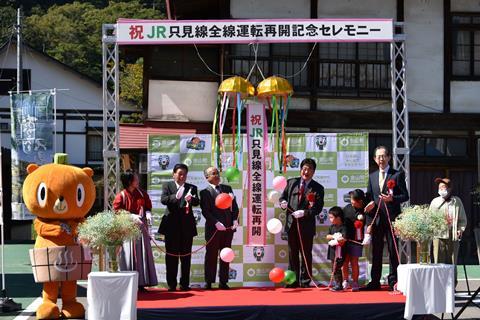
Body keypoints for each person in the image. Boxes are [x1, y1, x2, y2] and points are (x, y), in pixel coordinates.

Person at [362, 146, 409, 291]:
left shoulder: (397, 174)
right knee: (376, 250)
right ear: (375, 159)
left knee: (393, 250)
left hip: (392, 218)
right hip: (377, 219)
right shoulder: (372, 176)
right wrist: (369, 204)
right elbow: (370, 196)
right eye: (378, 157)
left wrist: (392, 198)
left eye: (383, 156)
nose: (381, 159)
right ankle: (374, 281)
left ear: (389, 157)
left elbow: (405, 196)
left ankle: (393, 281)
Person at [279, 158, 324, 288]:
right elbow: (283, 197)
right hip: (291, 224)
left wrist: (304, 212)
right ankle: (292, 281)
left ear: (313, 172)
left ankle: (305, 281)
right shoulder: (291, 183)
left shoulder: (318, 188)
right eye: (304, 168)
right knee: (292, 254)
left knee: (305, 253)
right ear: (300, 169)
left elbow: (318, 208)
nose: (306, 171)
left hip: (306, 226)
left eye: (310, 169)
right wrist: (282, 203)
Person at [113, 169, 158, 290]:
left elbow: (147, 206)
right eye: (135, 178)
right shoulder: (121, 195)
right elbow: (117, 210)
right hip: (127, 228)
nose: (137, 180)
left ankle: (142, 283)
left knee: (142, 253)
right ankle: (128, 283)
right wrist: (130, 216)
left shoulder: (142, 193)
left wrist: (148, 213)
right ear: (129, 181)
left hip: (141, 227)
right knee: (128, 254)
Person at [158, 164, 199, 291]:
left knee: (186, 257)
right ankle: (171, 284)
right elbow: (163, 200)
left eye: (185, 174)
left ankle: (184, 284)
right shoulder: (168, 186)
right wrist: (176, 197)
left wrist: (191, 199)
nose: (182, 176)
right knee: (171, 257)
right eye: (180, 173)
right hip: (171, 226)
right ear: (174, 174)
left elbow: (197, 202)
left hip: (187, 227)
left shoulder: (191, 187)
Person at [200, 167, 240, 290]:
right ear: (207, 178)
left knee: (226, 255)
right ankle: (209, 281)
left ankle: (224, 281)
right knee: (211, 255)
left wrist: (235, 220)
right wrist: (216, 222)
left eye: (217, 173)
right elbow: (205, 211)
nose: (217, 175)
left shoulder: (227, 189)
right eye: (213, 174)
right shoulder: (204, 192)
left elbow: (234, 207)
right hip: (213, 229)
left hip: (228, 228)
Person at [429, 178, 467, 285]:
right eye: (440, 188)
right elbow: (429, 218)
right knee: (438, 261)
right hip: (438, 235)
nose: (441, 190)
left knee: (452, 261)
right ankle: (438, 285)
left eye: (444, 188)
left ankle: (452, 285)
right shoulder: (435, 202)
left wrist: (460, 229)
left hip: (452, 235)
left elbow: (462, 219)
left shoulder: (456, 201)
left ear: (449, 189)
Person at [342, 189, 366, 292]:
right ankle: (345, 281)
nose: (351, 201)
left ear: (359, 201)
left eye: (353, 199)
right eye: (351, 199)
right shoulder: (347, 208)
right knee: (345, 261)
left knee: (354, 261)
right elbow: (341, 223)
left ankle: (355, 282)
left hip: (357, 239)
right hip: (345, 239)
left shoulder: (365, 209)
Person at [326, 206, 347, 292]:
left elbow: (344, 239)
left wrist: (339, 240)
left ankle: (339, 285)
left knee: (337, 267)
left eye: (331, 217)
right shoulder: (332, 227)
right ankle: (337, 284)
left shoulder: (344, 227)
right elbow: (327, 236)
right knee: (333, 268)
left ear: (338, 218)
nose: (330, 219)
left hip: (340, 251)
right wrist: (334, 236)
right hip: (332, 251)